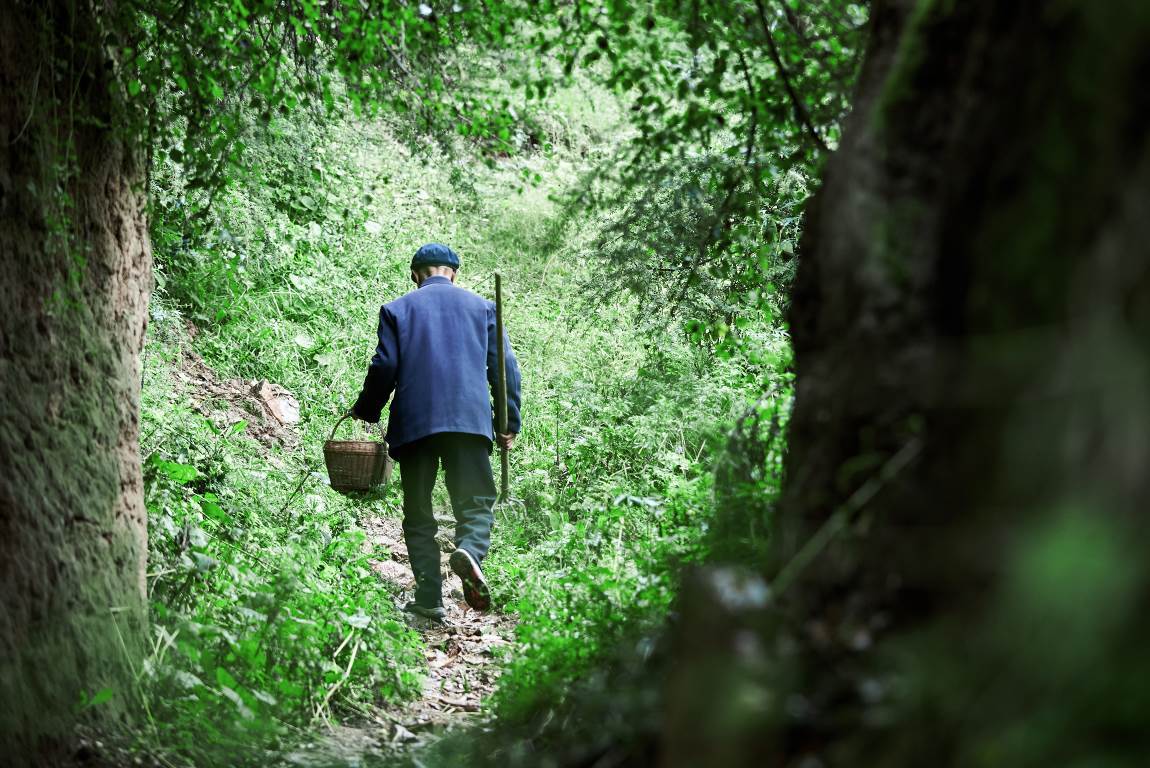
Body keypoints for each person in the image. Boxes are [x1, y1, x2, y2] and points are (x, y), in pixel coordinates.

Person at [350, 243, 521, 621]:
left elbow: (385, 366)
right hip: (468, 421)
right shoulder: (484, 308)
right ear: (453, 273)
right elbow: (505, 370)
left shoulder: (396, 310)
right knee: (475, 502)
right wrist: (507, 422)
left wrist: (366, 409)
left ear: (416, 275)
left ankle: (429, 597)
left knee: (419, 511)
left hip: (415, 424)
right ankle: (470, 552)